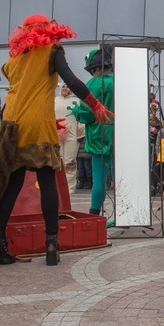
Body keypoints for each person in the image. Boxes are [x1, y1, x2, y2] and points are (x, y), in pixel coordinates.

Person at [0, 15, 112, 266]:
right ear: (48, 31)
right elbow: (72, 81)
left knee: (12, 184)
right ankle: (52, 245)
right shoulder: (51, 50)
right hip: (38, 126)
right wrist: (95, 105)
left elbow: (22, 93)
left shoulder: (13, 59)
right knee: (47, 182)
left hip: (12, 123)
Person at [69, 47, 115, 215]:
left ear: (95, 68)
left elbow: (87, 113)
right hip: (120, 135)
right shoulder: (120, 82)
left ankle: (94, 213)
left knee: (99, 179)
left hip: (99, 136)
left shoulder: (93, 84)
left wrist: (76, 111)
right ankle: (126, 213)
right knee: (121, 178)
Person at [54, 82, 81, 195]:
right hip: (56, 134)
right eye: (63, 87)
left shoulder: (76, 102)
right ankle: (58, 186)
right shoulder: (54, 101)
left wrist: (80, 134)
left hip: (71, 135)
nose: (65, 89)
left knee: (70, 161)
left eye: (67, 86)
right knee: (58, 161)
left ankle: (70, 187)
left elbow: (81, 119)